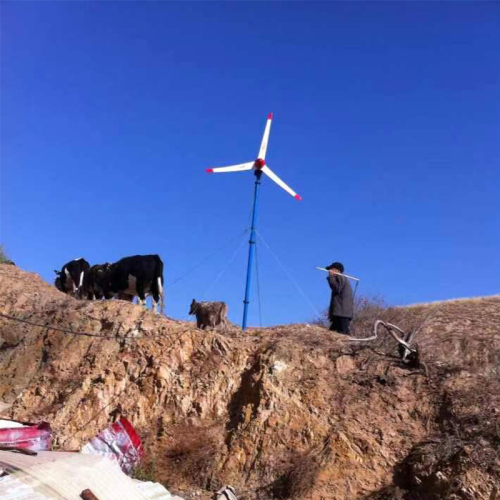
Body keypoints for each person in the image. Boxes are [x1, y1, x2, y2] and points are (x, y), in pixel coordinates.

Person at [326, 262, 354, 334]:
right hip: (339, 313)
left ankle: (352, 345)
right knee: (331, 334)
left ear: (337, 270)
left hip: (342, 313)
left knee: (344, 333)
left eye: (331, 269)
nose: (329, 271)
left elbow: (336, 288)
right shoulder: (340, 278)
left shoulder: (341, 277)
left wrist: (331, 277)